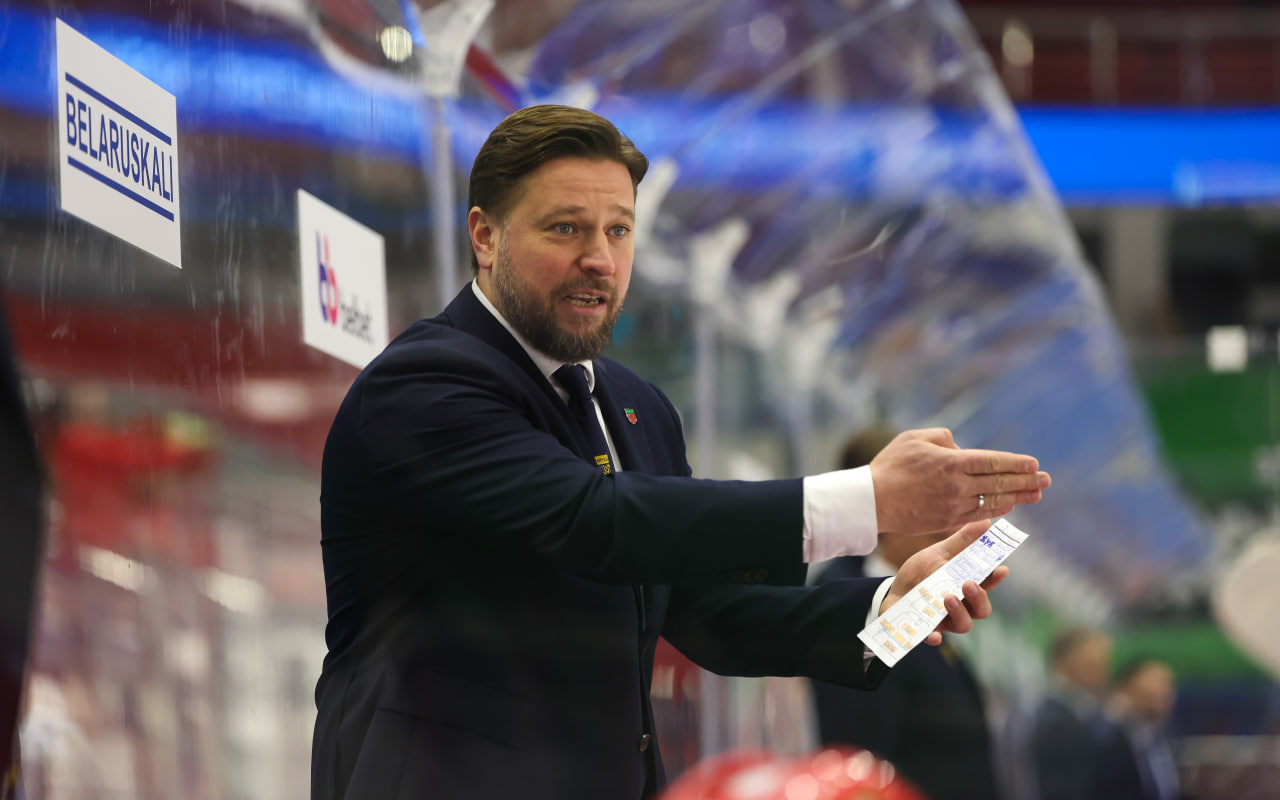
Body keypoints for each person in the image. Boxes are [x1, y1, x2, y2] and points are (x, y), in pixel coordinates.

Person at [309, 104, 1052, 800]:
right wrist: (868, 499)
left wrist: (896, 607)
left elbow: (711, 614)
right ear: (485, 236)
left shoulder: (635, 408)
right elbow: (593, 521)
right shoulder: (425, 383)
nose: (600, 259)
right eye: (566, 229)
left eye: (619, 230)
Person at [810, 427, 1002, 800]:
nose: (952, 523)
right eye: (937, 501)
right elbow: (861, 750)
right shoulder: (844, 598)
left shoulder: (927, 596)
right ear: (885, 504)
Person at [1025, 628, 1117, 800]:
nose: (1100, 674)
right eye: (1090, 665)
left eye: (1103, 665)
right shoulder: (1056, 721)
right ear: (1063, 664)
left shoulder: (1085, 711)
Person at [1096, 657, 1185, 800]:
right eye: (1157, 681)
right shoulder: (1108, 734)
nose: (1165, 690)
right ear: (1125, 689)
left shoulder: (1155, 735)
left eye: (1168, 683)